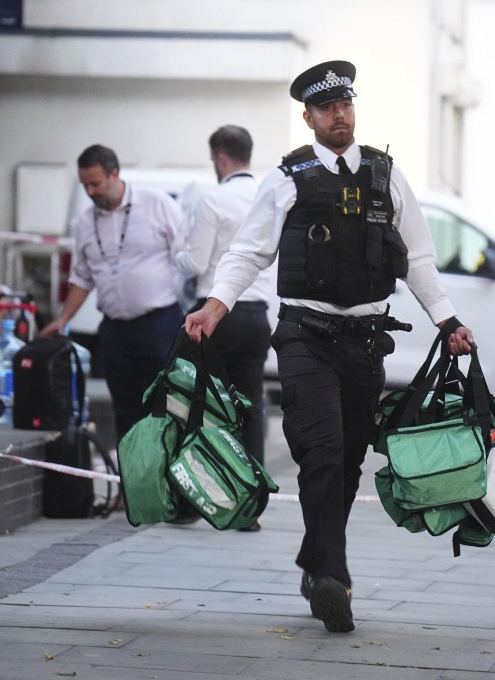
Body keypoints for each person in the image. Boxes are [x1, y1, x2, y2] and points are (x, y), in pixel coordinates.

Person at [184, 60, 475, 633]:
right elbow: (246, 254)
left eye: (345, 104)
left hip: (366, 342)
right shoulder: (286, 179)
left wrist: (448, 320)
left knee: (346, 464)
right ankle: (332, 579)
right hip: (304, 334)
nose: (339, 114)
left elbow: (417, 258)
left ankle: (314, 556)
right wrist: (215, 306)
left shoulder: (387, 176)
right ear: (309, 117)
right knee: (320, 452)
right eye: (326, 107)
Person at [39, 144, 185, 439]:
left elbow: (187, 255)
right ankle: (129, 484)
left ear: (114, 173)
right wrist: (64, 318)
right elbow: (82, 276)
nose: (90, 192)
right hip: (115, 332)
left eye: (95, 183)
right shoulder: (84, 223)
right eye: (85, 185)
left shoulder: (156, 203)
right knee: (125, 412)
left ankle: (170, 482)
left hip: (159, 324)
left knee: (168, 408)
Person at [174, 125, 273, 531]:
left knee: (199, 406)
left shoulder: (213, 199)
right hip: (257, 316)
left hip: (212, 315)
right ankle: (249, 508)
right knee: (250, 407)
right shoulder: (269, 197)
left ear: (219, 158)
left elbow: (196, 264)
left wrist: (174, 253)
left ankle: (191, 502)